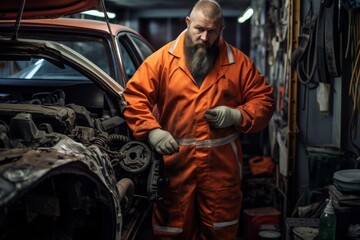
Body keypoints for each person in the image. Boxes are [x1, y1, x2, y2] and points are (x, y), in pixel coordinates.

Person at [122, 0, 274, 239]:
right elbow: (133, 98)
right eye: (199, 29)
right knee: (172, 230)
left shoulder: (239, 63)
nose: (205, 37)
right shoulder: (161, 61)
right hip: (174, 168)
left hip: (220, 171)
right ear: (188, 23)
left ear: (221, 29)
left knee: (220, 230)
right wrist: (152, 131)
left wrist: (238, 115)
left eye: (212, 31)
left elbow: (263, 101)